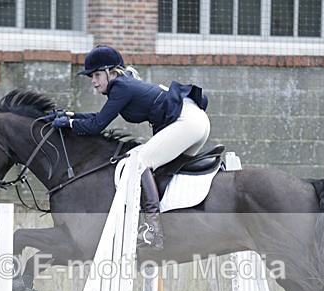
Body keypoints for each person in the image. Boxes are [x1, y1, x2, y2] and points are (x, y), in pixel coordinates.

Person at [51, 45, 211, 249]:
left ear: (112, 72)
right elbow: (98, 118)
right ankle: (171, 222)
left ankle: (153, 231)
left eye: (97, 75)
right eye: (91, 76)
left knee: (139, 163)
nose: (93, 81)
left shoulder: (120, 87)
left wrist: (70, 124)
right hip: (195, 122)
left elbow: (97, 126)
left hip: (188, 123)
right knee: (158, 168)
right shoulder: (123, 85)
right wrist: (71, 116)